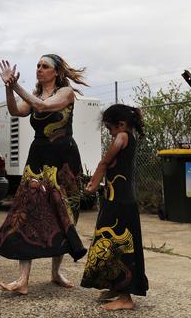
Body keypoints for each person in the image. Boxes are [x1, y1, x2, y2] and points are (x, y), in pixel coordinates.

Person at [0, 54, 88, 295]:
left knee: (63, 214)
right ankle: (22, 280)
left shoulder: (65, 93)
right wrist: (8, 88)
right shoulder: (34, 96)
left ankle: (56, 272)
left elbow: (43, 106)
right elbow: (15, 110)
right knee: (26, 212)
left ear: (56, 72)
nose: (39, 69)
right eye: (37, 65)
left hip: (64, 159)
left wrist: (16, 85)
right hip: (38, 157)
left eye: (45, 66)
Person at [80, 104, 149, 311]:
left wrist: (92, 184)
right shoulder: (127, 137)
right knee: (107, 243)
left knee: (121, 248)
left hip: (120, 203)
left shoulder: (122, 137)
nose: (110, 133)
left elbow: (104, 162)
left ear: (121, 124)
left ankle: (126, 298)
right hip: (116, 199)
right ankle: (115, 287)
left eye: (110, 128)